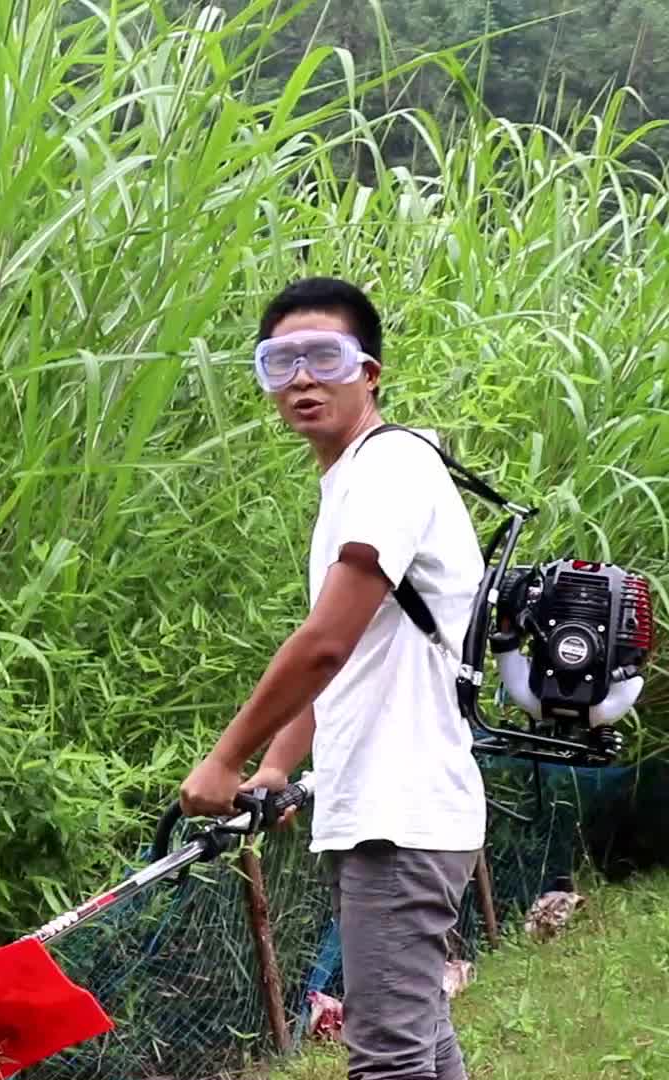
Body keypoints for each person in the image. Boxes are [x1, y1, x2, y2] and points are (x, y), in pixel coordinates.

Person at [177, 276, 488, 1080]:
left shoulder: (389, 470)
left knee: (386, 1062)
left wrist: (226, 758)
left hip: (401, 813)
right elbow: (345, 661)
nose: (302, 379)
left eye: (325, 356)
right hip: (389, 810)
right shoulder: (350, 480)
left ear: (370, 369)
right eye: (280, 362)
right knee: (421, 1047)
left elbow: (322, 643)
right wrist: (278, 767)